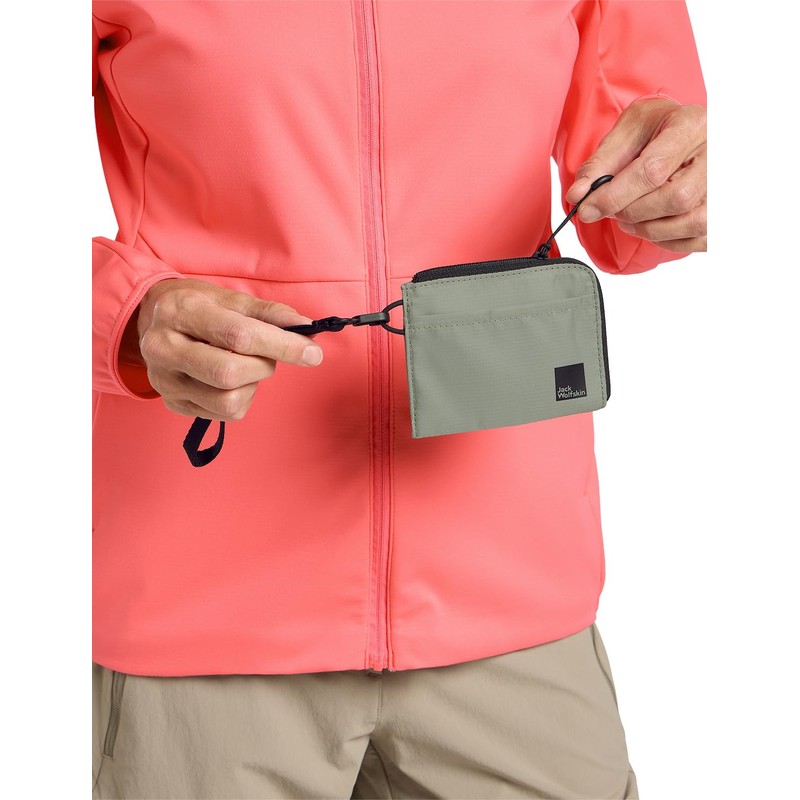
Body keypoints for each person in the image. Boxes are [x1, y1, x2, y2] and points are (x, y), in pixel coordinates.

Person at [91, 1, 706, 797]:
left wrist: (687, 186)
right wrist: (124, 316)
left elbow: (645, 188)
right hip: (201, 615)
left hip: (513, 600)